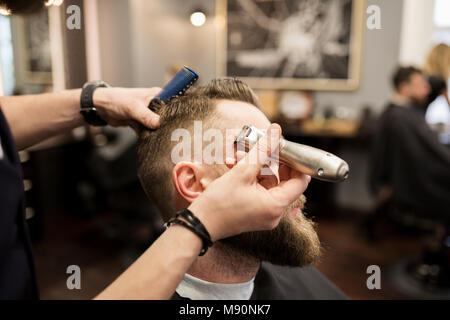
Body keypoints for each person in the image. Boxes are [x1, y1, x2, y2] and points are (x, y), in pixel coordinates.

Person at [136, 78, 346, 300]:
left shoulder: (300, 282)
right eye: (261, 154)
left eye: (282, 152)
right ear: (192, 183)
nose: (293, 175)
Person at [369, 66, 450, 218]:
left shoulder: (402, 112)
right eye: (421, 84)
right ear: (404, 88)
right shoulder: (400, 118)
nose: (427, 89)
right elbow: (428, 155)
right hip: (416, 185)